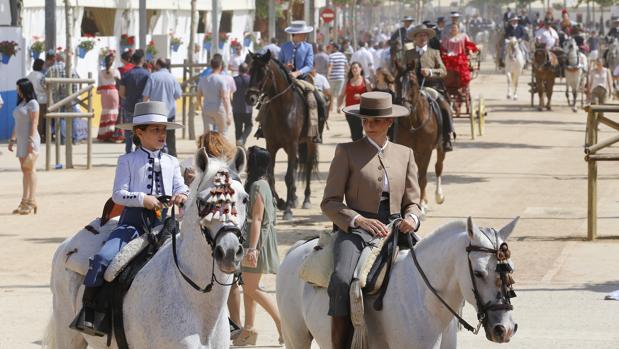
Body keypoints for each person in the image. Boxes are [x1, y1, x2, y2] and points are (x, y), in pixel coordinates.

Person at [72, 101, 188, 336]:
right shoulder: (127, 161)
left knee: (198, 258)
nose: (161, 134)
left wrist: (182, 195)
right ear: (139, 132)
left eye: (163, 130)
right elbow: (118, 193)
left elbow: (182, 186)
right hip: (132, 224)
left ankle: (219, 319)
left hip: (165, 224)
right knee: (103, 259)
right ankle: (91, 313)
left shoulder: (172, 162)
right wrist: (143, 199)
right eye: (155, 130)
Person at [322, 91, 422, 349]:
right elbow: (330, 202)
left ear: (389, 122)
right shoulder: (346, 151)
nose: (369, 125)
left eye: (376, 120)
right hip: (356, 232)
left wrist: (412, 217)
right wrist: (357, 220)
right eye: (365, 120)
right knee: (342, 279)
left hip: (398, 228)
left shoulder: (405, 153)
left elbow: (413, 200)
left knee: (433, 270)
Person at [233, 146, 283, 346]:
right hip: (257, 241)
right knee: (248, 286)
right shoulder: (264, 183)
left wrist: (252, 248)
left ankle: (282, 324)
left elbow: (257, 219)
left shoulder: (257, 187)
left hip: (256, 242)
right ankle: (249, 329)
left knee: (252, 288)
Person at [404, 24, 453, 151]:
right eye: (420, 35)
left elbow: (443, 71)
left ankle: (446, 137)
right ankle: (392, 136)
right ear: (415, 38)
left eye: (425, 35)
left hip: (431, 88)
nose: (422, 37)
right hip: (411, 90)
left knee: (445, 106)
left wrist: (430, 72)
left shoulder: (434, 53)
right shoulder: (408, 54)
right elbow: (401, 70)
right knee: (398, 105)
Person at [8, 79, 41, 215]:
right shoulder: (21, 103)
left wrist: (31, 142)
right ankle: (24, 200)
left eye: (19, 88)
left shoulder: (33, 104)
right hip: (21, 141)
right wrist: (12, 139)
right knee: (24, 170)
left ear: (25, 88)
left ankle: (31, 200)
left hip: (30, 141)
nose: (17, 91)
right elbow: (17, 123)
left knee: (30, 169)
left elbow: (34, 123)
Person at [143, 58, 183, 156]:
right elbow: (178, 95)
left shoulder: (153, 77)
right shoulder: (172, 78)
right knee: (170, 137)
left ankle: (156, 155)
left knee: (155, 136)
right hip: (169, 112)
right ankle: (173, 157)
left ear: (158, 65)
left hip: (155, 113)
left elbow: (145, 96)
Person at [119, 49, 151, 154]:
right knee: (141, 132)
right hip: (142, 108)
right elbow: (149, 93)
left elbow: (121, 93)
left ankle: (128, 152)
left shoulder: (127, 74)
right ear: (142, 60)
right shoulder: (147, 74)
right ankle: (139, 152)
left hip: (129, 106)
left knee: (129, 132)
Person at [197, 54, 232, 134]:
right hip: (219, 108)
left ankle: (208, 146)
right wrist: (229, 113)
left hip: (207, 108)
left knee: (207, 134)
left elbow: (198, 96)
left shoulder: (203, 80)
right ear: (220, 66)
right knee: (222, 133)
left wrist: (202, 107)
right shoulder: (221, 80)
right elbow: (225, 98)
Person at [337, 62, 371, 141]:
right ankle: (358, 148)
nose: (354, 70)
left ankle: (359, 149)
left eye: (356, 68)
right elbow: (342, 95)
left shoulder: (366, 81)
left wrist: (361, 97)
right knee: (353, 133)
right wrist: (339, 106)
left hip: (362, 111)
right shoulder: (347, 81)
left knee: (358, 132)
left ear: (360, 69)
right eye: (352, 68)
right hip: (350, 111)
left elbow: (371, 96)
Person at [441, 21, 479, 90]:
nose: (453, 29)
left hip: (460, 56)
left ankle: (462, 86)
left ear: (458, 29)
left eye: (455, 28)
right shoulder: (446, 37)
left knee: (461, 68)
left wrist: (470, 51)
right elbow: (443, 48)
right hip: (449, 57)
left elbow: (468, 45)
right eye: (452, 28)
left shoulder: (463, 36)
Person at [96, 53, 123, 143]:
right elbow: (119, 83)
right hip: (113, 92)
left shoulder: (100, 72)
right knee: (114, 112)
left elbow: (99, 86)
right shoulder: (115, 72)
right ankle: (113, 134)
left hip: (104, 93)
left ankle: (104, 134)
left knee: (105, 112)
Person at [26, 59, 48, 142]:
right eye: (43, 65)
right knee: (41, 120)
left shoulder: (29, 76)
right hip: (42, 100)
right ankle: (40, 137)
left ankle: (33, 136)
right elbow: (45, 88)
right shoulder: (42, 76)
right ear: (41, 66)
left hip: (31, 100)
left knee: (33, 120)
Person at [232, 63, 253, 146]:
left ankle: (239, 147)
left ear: (238, 70)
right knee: (249, 126)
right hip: (247, 108)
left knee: (238, 128)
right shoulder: (250, 80)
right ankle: (242, 139)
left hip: (236, 108)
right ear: (247, 70)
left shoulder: (234, 79)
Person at [328, 43, 349, 112]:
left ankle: (331, 108)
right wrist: (347, 74)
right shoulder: (343, 56)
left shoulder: (331, 56)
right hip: (341, 77)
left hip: (332, 77)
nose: (330, 48)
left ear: (334, 48)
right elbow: (346, 66)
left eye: (331, 47)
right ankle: (339, 108)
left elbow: (330, 66)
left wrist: (328, 75)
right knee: (340, 94)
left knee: (331, 94)